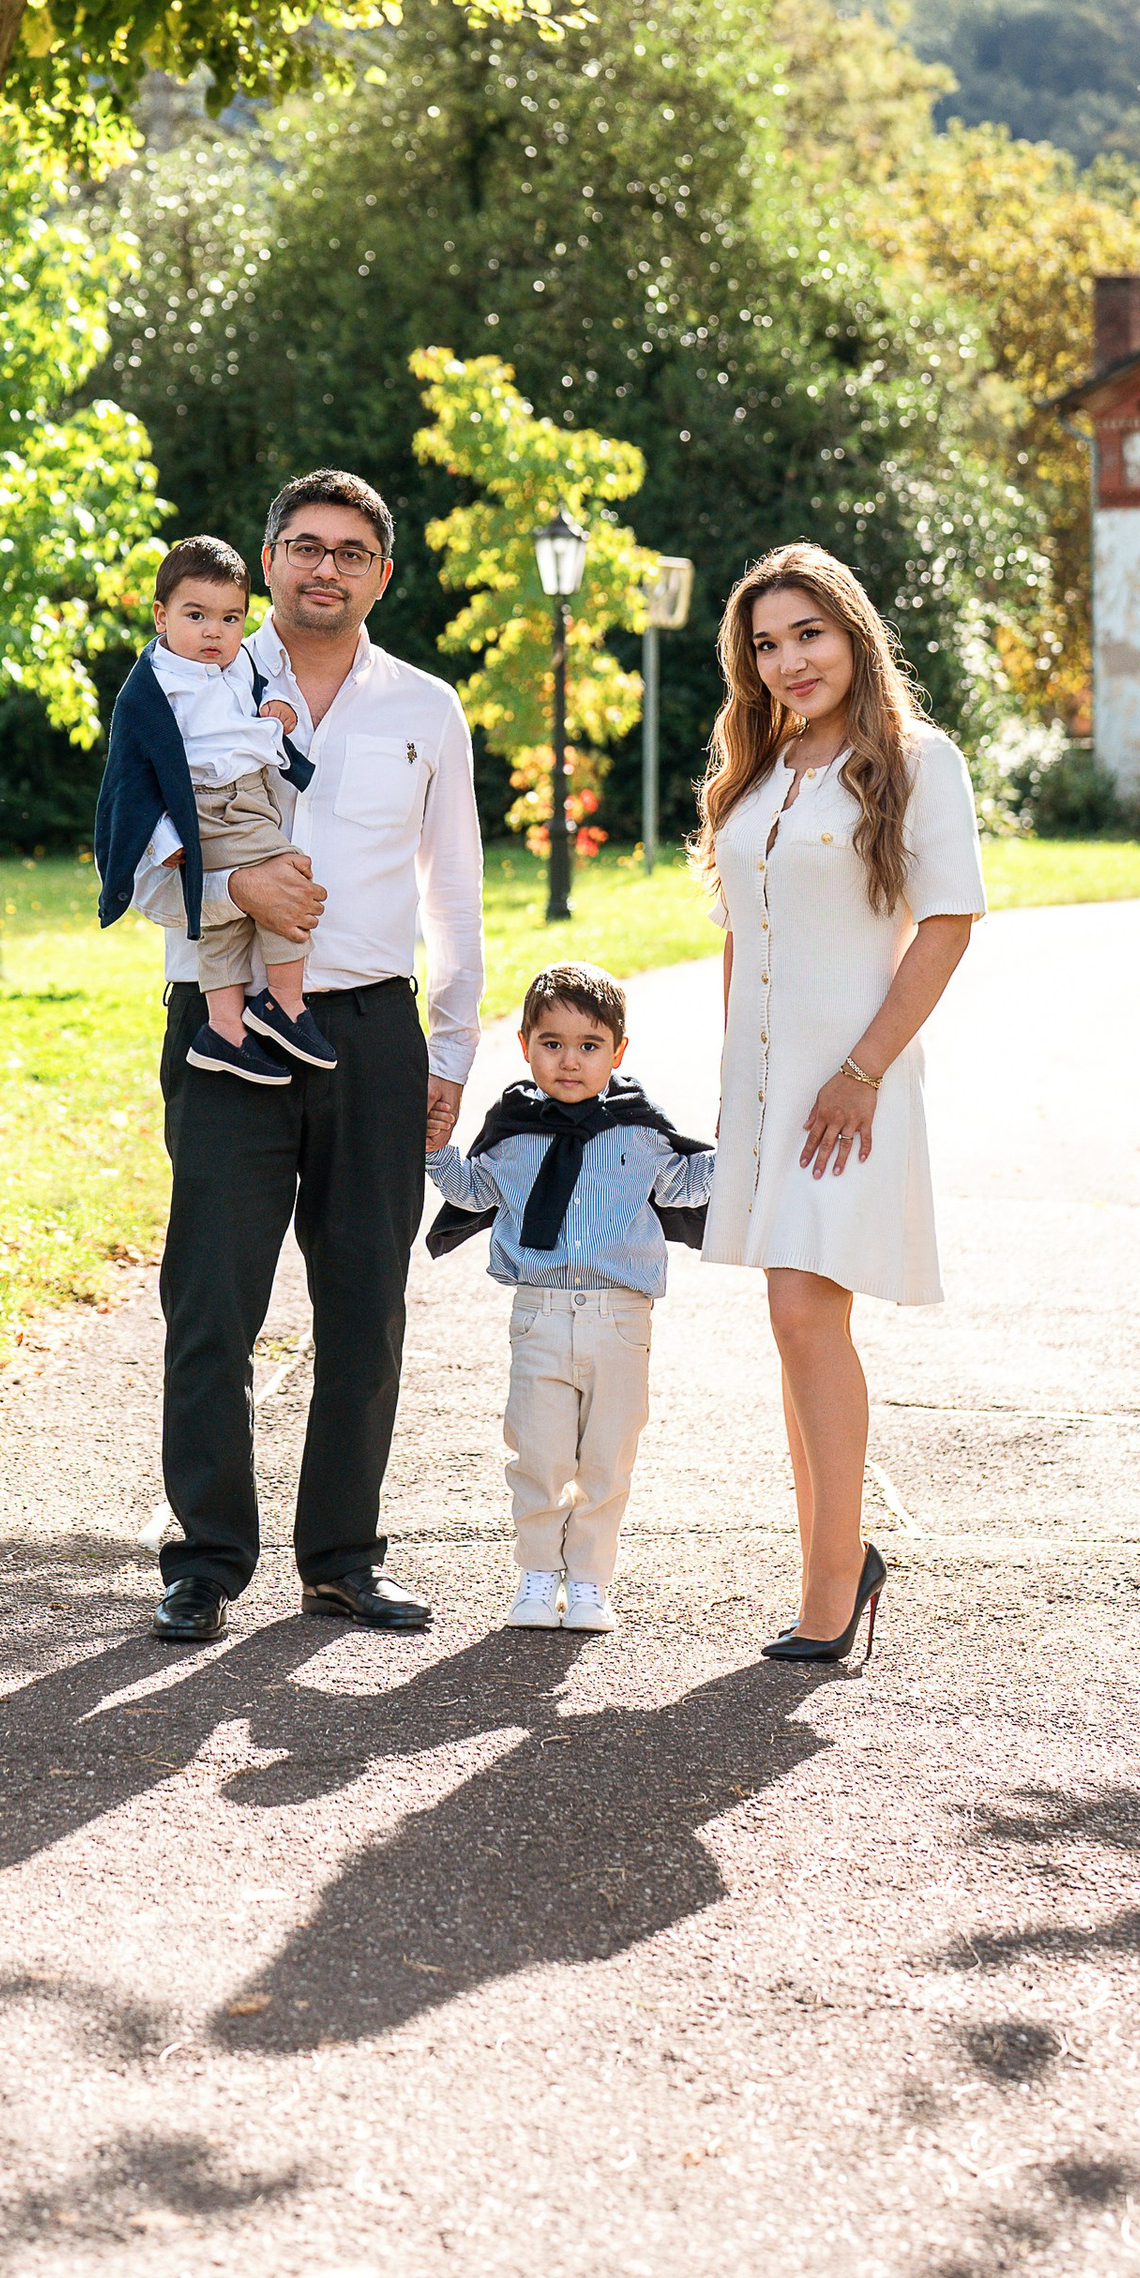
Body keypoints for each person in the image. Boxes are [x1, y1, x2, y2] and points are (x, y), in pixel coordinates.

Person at [131, 468, 485, 1645]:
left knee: (364, 1306)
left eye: (348, 550)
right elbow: (132, 858)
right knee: (211, 1300)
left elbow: (456, 889)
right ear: (267, 560)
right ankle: (207, 1559)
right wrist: (234, 882)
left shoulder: (426, 708)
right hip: (222, 1020)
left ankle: (341, 1557)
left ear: (381, 573)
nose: (322, 566)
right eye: (300, 544)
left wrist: (452, 1045)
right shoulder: (185, 678)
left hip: (371, 1033)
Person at [695, 543, 984, 1669]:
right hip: (765, 1089)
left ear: (853, 631)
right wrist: (733, 1080)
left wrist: (860, 1071)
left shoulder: (916, 760)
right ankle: (835, 1557)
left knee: (812, 1315)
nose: (786, 661)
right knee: (789, 1319)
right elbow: (741, 929)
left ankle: (831, 1585)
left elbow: (947, 922)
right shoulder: (761, 763)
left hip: (852, 1082)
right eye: (764, 644)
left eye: (805, 632)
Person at [422, 960, 715, 1636]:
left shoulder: (640, 1130)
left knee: (607, 1458)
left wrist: (746, 1149)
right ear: (525, 1045)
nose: (570, 1061)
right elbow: (474, 1192)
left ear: (618, 1051)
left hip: (620, 1318)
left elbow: (683, 1184)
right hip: (540, 1314)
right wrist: (438, 1152)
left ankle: (588, 1583)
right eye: (551, 1043)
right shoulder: (517, 1126)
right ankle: (535, 1576)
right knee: (538, 1453)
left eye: (589, 1046)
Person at [94, 536, 329, 1085]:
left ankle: (223, 1029)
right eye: (195, 615)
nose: (212, 631)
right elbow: (132, 776)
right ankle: (285, 1004)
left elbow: (249, 711)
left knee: (221, 920)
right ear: (161, 616)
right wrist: (164, 841)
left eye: (230, 618)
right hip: (207, 804)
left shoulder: (240, 663)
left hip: (247, 793)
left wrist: (275, 716)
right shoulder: (153, 686)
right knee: (288, 876)